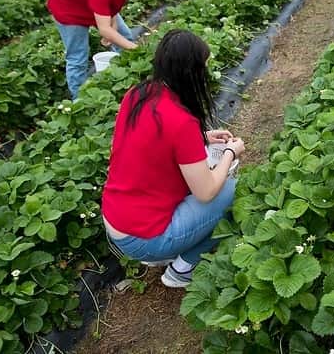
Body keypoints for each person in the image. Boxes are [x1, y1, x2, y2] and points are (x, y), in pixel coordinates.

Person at [101, 29, 243, 288]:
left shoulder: (138, 94)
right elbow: (206, 192)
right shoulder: (181, 121)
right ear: (190, 73)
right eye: (205, 67)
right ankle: (182, 268)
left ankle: (161, 250)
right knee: (234, 191)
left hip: (116, 219)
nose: (207, 73)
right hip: (142, 238)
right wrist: (231, 153)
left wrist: (203, 138)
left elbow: (154, 142)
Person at [46, 0, 156, 99]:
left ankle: (128, 78)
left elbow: (113, 3)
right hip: (68, 7)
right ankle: (80, 102)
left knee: (125, 37)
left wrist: (113, 28)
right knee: (78, 57)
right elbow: (105, 29)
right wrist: (136, 49)